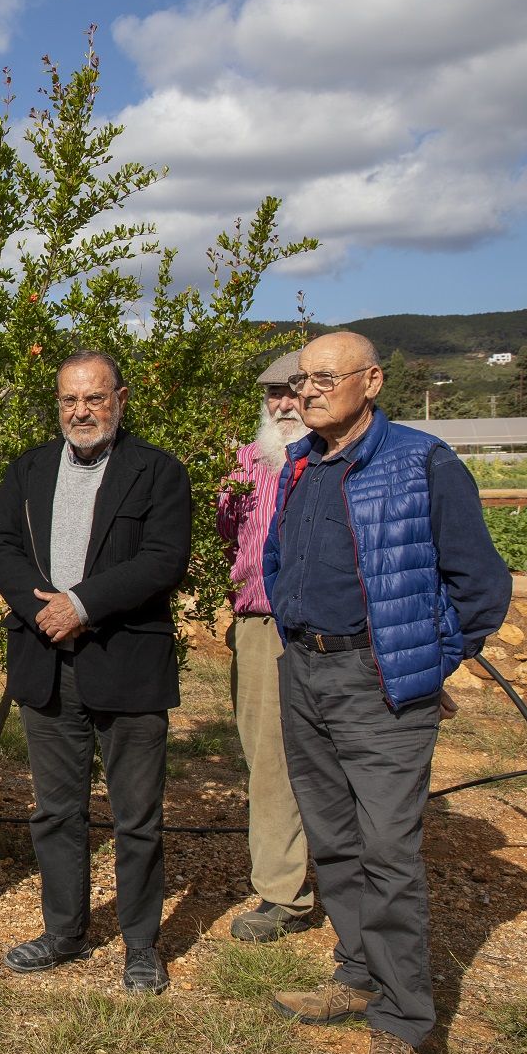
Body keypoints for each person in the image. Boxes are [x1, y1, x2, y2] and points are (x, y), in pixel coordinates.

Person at [263, 332, 510, 1054]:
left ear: (371, 380)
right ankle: (355, 970)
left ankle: (401, 1022)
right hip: (304, 669)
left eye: (324, 378)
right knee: (332, 837)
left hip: (378, 682)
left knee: (388, 850)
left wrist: (425, 660)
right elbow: (277, 560)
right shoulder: (304, 462)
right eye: (302, 380)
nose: (308, 391)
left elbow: (482, 585)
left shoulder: (421, 461)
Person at [0, 350, 191, 996]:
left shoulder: (156, 472)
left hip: (125, 664)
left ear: (120, 398)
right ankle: (64, 930)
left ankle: (140, 944)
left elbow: (163, 560)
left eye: (94, 398)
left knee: (136, 816)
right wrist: (42, 607)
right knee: (56, 811)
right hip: (47, 664)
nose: (81, 411)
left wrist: (83, 604)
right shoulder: (30, 469)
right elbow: (1, 548)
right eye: (70, 400)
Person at [215, 348, 315, 942]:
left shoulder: (341, 461)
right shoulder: (249, 462)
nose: (282, 403)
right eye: (273, 393)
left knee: (342, 754)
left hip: (339, 627)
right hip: (261, 624)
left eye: (294, 390)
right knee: (269, 759)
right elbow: (231, 531)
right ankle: (284, 892)